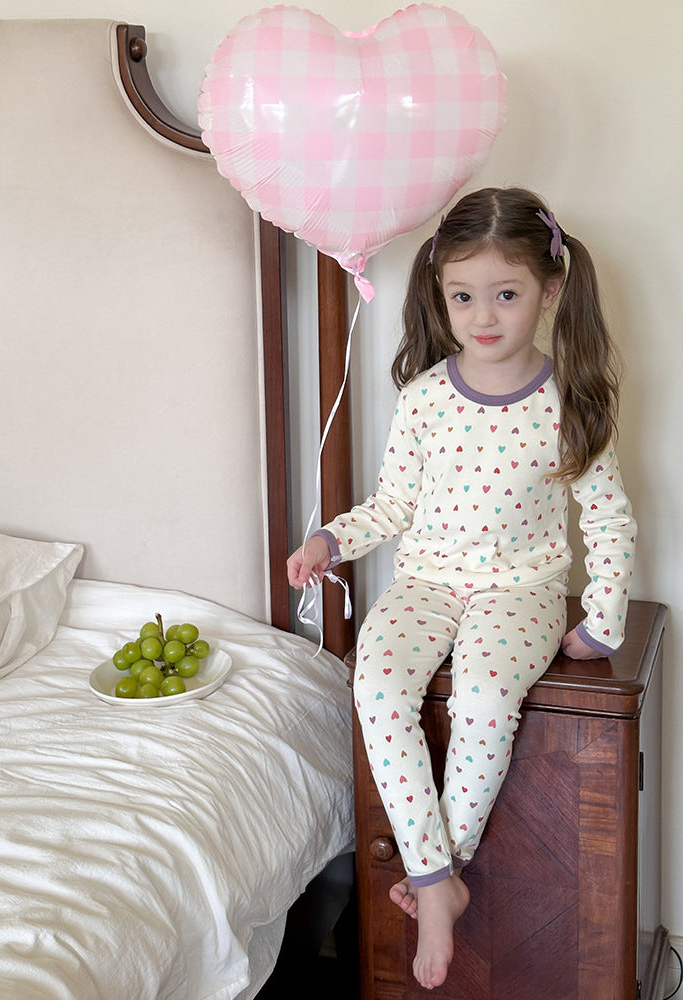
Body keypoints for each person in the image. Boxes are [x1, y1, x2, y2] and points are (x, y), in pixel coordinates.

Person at [287, 187, 636, 991]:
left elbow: (609, 519)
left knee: (482, 695)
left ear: (549, 289)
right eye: (463, 297)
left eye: (506, 295)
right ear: (440, 295)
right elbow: (394, 505)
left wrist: (603, 622)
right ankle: (435, 879)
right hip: (426, 583)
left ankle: (442, 871)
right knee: (376, 684)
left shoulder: (569, 403)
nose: (483, 317)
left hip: (523, 592)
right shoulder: (425, 399)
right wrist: (331, 540)